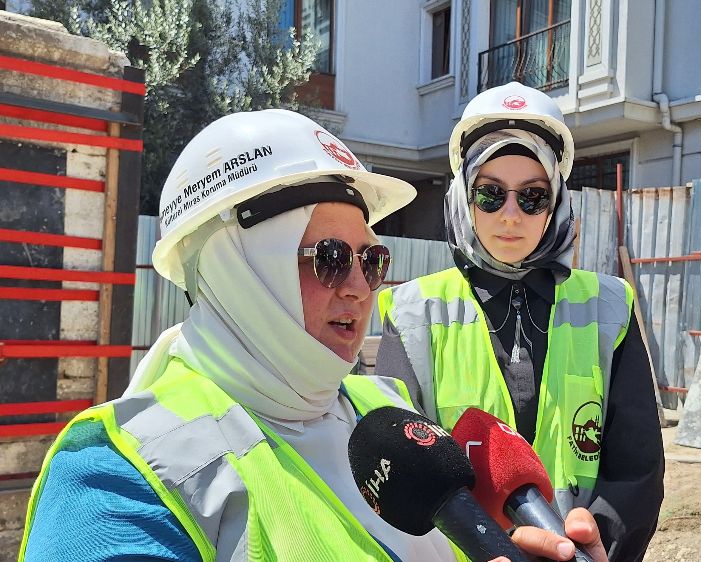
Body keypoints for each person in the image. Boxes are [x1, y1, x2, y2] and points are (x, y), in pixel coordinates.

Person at [19, 109, 607, 562]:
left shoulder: (393, 416)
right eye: (328, 258)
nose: (359, 287)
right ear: (235, 272)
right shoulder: (114, 479)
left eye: (372, 259)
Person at [375, 82, 665, 562]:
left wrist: (592, 548)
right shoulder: (412, 313)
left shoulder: (609, 305)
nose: (511, 216)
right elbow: (402, 472)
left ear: (555, 204)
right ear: (464, 198)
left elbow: (638, 472)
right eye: (490, 194)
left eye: (532, 196)